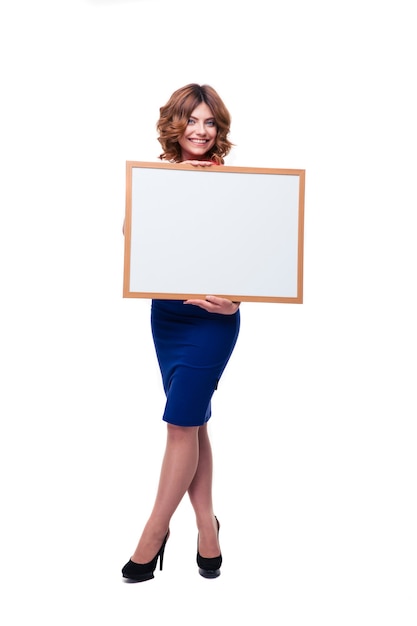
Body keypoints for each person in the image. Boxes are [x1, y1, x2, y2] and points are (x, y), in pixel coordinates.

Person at [122, 84, 240, 582]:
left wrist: (237, 298)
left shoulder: (240, 183)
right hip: (167, 316)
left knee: (179, 423)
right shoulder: (156, 179)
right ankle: (207, 526)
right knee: (193, 423)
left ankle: (153, 534)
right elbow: (132, 238)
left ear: (219, 131)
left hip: (213, 320)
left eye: (210, 122)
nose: (201, 129)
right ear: (176, 124)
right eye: (192, 120)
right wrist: (169, 187)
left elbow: (261, 255)